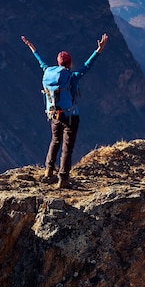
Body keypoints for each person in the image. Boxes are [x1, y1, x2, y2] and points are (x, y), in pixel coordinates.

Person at [21, 33, 108, 189]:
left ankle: (48, 171)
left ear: (58, 62)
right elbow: (87, 66)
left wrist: (31, 47)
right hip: (70, 116)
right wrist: (98, 50)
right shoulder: (72, 77)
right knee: (67, 147)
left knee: (55, 141)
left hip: (54, 115)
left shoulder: (48, 72)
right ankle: (63, 179)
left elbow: (40, 61)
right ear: (70, 63)